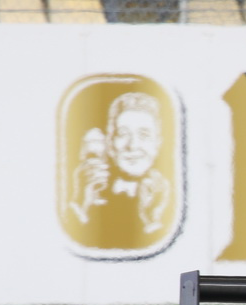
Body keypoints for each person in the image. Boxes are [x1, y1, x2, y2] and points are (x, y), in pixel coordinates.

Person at [67, 91, 172, 246]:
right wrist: (79, 204)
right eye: (123, 134)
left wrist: (152, 220)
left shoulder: (171, 202)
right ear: (110, 142)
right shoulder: (89, 196)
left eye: (144, 135)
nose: (132, 145)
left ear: (158, 143)